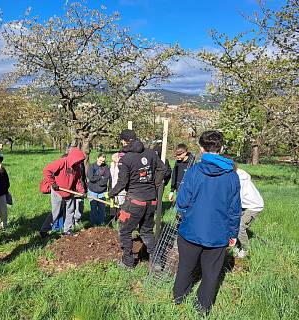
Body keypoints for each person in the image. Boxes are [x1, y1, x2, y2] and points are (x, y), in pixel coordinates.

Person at [173, 130, 241, 315]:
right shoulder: (233, 176)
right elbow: (235, 209)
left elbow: (182, 202)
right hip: (218, 234)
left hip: (190, 231)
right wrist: (233, 234)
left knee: (185, 267)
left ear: (201, 149)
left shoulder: (194, 170)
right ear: (221, 148)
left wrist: (188, 215)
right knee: (211, 274)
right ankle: (202, 308)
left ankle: (179, 298)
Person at [108, 129, 166, 269]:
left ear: (124, 141)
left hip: (134, 202)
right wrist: (154, 184)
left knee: (125, 231)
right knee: (146, 231)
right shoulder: (151, 153)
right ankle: (157, 262)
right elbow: (164, 170)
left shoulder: (126, 159)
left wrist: (111, 193)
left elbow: (122, 182)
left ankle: (128, 263)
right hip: (151, 201)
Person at [39, 147, 86, 237]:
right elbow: (46, 170)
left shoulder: (77, 168)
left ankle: (67, 231)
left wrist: (81, 191)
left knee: (70, 211)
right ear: (73, 158)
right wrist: (53, 183)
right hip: (58, 191)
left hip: (69, 192)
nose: (79, 163)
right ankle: (43, 231)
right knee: (55, 212)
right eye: (78, 160)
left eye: (80, 161)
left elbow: (77, 181)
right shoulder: (62, 162)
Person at [232, 161, 264, 258]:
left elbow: (238, 199)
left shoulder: (240, 179)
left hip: (253, 206)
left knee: (241, 227)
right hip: (245, 205)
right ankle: (236, 244)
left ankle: (244, 248)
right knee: (235, 223)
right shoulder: (236, 174)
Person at [87, 153, 111, 226]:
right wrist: (101, 177)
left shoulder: (106, 167)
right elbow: (91, 178)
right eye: (100, 160)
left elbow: (107, 177)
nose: (101, 162)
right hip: (92, 190)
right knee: (93, 207)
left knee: (102, 208)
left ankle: (101, 223)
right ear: (97, 158)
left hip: (102, 190)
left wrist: (99, 181)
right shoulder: (92, 166)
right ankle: (93, 223)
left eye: (103, 161)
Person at [109, 152, 126, 220]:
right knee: (113, 202)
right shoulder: (112, 164)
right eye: (118, 157)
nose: (118, 158)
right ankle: (113, 217)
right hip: (113, 185)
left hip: (121, 187)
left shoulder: (123, 165)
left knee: (121, 202)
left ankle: (121, 217)